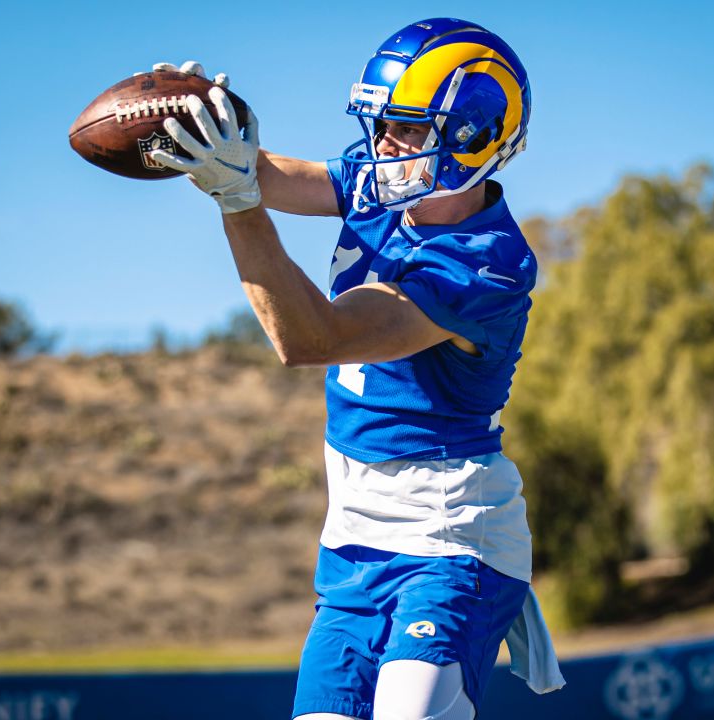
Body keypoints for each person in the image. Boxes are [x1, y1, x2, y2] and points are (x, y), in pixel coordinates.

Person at [148, 18, 564, 720]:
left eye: (404, 126)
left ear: (470, 137)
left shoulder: (487, 261)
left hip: (450, 534)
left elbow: (312, 337)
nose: (383, 145)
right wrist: (211, 133)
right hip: (353, 539)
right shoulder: (386, 185)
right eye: (379, 124)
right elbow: (284, 174)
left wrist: (237, 202)